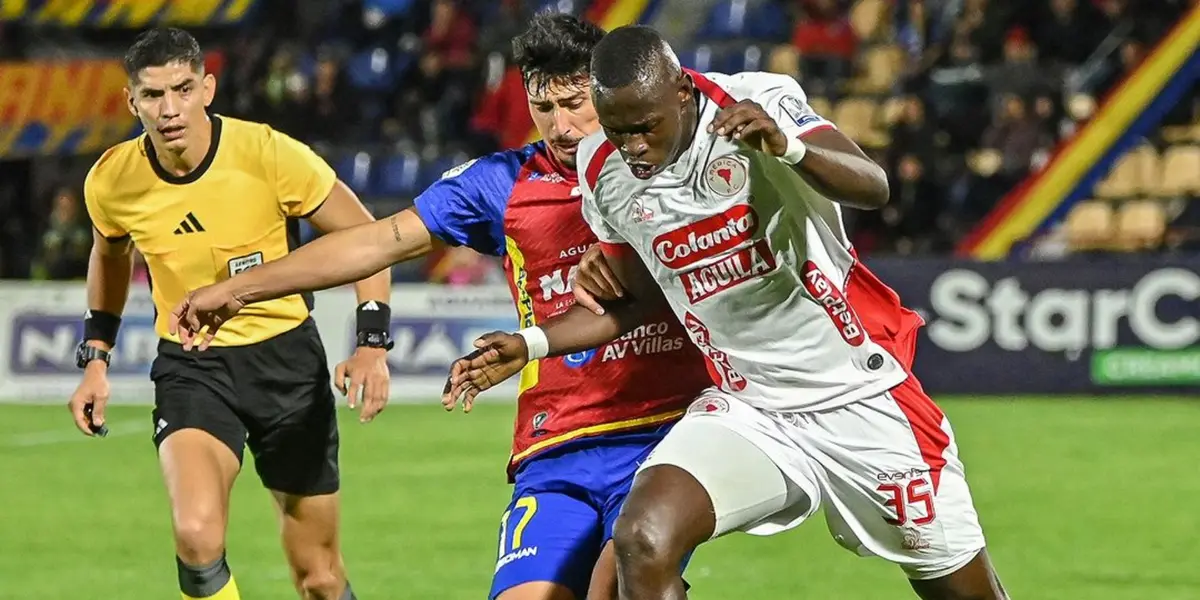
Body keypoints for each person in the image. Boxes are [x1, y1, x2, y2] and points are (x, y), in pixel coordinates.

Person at [445, 25, 1010, 600]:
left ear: (683, 95)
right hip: (751, 405)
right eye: (618, 132)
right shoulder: (602, 168)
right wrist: (533, 343)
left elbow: (873, 186)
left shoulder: (754, 102)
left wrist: (790, 148)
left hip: (859, 396)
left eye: (645, 128)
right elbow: (638, 298)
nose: (633, 147)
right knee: (642, 539)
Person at [166, 14, 712, 600]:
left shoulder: (667, 162)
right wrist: (238, 289)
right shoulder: (503, 184)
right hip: (555, 443)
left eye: (576, 103)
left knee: (626, 581)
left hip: (661, 430)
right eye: (542, 107)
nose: (561, 125)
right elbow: (379, 241)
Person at [67, 28, 393, 600]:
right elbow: (109, 255)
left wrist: (371, 342)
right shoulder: (111, 180)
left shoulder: (268, 153)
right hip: (193, 367)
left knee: (317, 576)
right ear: (131, 101)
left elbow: (369, 239)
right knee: (195, 536)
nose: (169, 109)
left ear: (207, 88)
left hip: (286, 363)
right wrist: (96, 358)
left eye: (183, 89)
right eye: (152, 95)